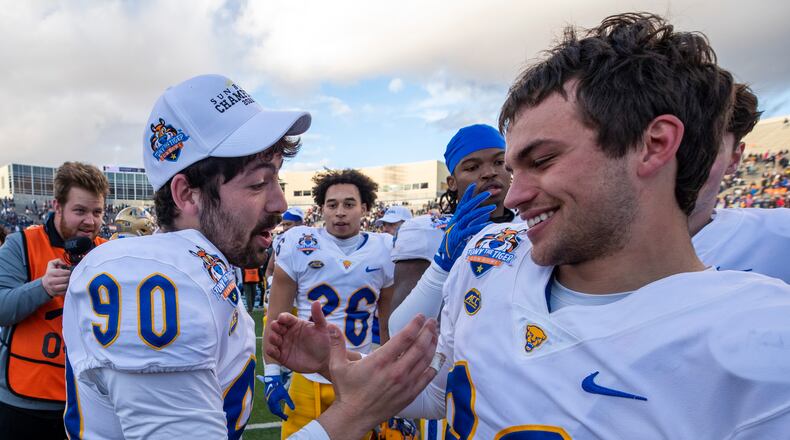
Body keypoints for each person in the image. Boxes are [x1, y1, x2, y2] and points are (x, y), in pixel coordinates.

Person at [268, 12, 790, 438]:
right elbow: (446, 390)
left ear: (653, 145)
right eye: (512, 168)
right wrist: (343, 365)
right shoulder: (490, 253)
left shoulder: (763, 339)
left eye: (542, 161)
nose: (512, 194)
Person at [61, 74, 312, 439]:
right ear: (187, 194)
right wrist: (358, 407)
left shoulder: (203, 266)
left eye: (277, 181)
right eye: (258, 183)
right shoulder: (159, 279)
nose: (280, 202)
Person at [263, 169, 396, 438]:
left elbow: (388, 324)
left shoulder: (386, 248)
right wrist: (271, 373)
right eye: (332, 204)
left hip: (360, 373)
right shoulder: (298, 243)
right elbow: (276, 316)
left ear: (365, 208)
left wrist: (391, 377)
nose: (340, 212)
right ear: (322, 209)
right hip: (307, 374)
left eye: (349, 204)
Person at [0, 162, 108, 438]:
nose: (91, 221)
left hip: (88, 402)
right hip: (25, 400)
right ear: (57, 206)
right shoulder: (20, 244)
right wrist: (43, 288)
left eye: (97, 212)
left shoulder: (108, 251)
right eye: (80, 211)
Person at [387, 123, 514, 335]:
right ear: (452, 182)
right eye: (472, 167)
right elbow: (400, 331)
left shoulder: (530, 224)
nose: (489, 173)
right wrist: (441, 265)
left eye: (499, 162)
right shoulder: (426, 231)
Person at [688, 83, 790, 282]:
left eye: (705, 148)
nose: (685, 163)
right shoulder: (613, 246)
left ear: (734, 160)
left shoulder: (780, 235)